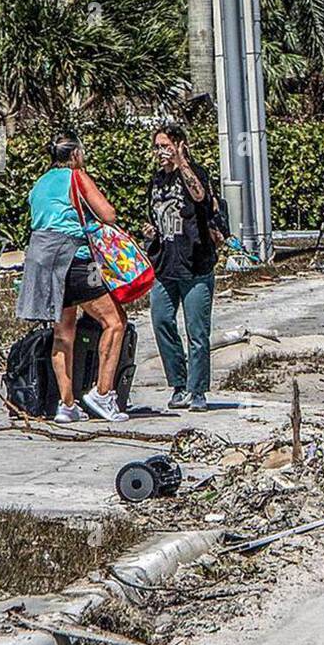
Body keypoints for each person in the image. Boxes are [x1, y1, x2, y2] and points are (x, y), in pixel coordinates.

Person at [16, 131, 130, 423]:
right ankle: (102, 394)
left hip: (41, 261)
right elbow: (108, 214)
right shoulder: (77, 177)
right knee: (115, 322)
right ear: (76, 155)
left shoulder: (39, 183)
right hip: (73, 258)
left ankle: (66, 405)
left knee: (63, 333)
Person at [143, 124, 223, 412]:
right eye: (157, 147)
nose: (160, 152)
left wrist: (181, 162)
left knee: (197, 331)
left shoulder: (196, 173)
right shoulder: (156, 181)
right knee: (162, 320)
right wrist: (152, 231)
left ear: (179, 144)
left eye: (164, 146)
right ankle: (178, 383)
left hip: (195, 264)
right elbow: (155, 212)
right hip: (165, 265)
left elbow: (200, 196)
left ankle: (197, 390)